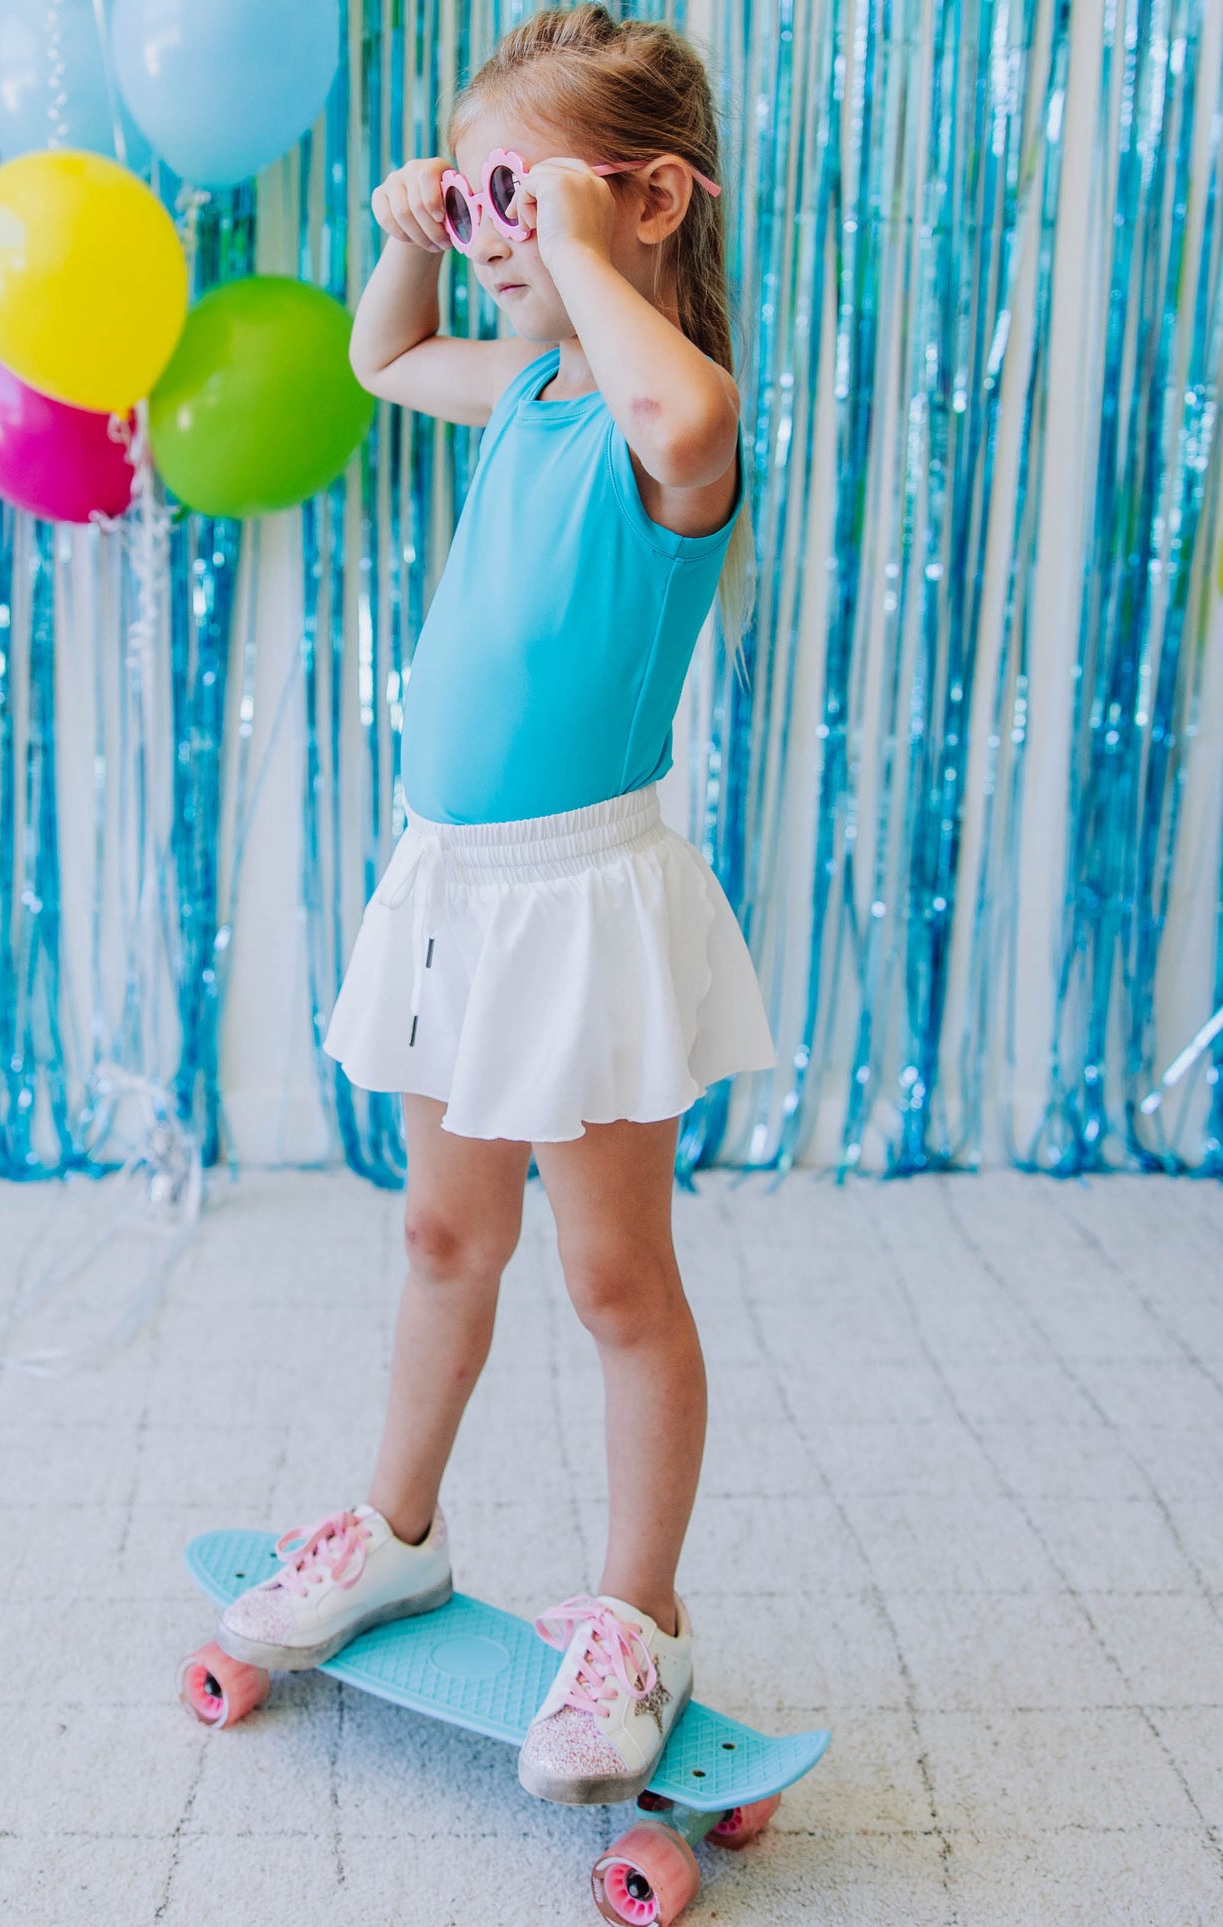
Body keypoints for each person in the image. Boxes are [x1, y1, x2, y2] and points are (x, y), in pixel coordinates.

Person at [216, 3, 776, 1806]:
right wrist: (408, 236)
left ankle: (638, 1618)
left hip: (583, 910)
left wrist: (580, 250)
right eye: (474, 200)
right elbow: (385, 359)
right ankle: (395, 1531)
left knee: (616, 1281)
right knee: (442, 1239)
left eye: (510, 198)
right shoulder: (530, 390)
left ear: (650, 201)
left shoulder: (666, 432)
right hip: (456, 889)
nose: (487, 235)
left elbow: (684, 401)